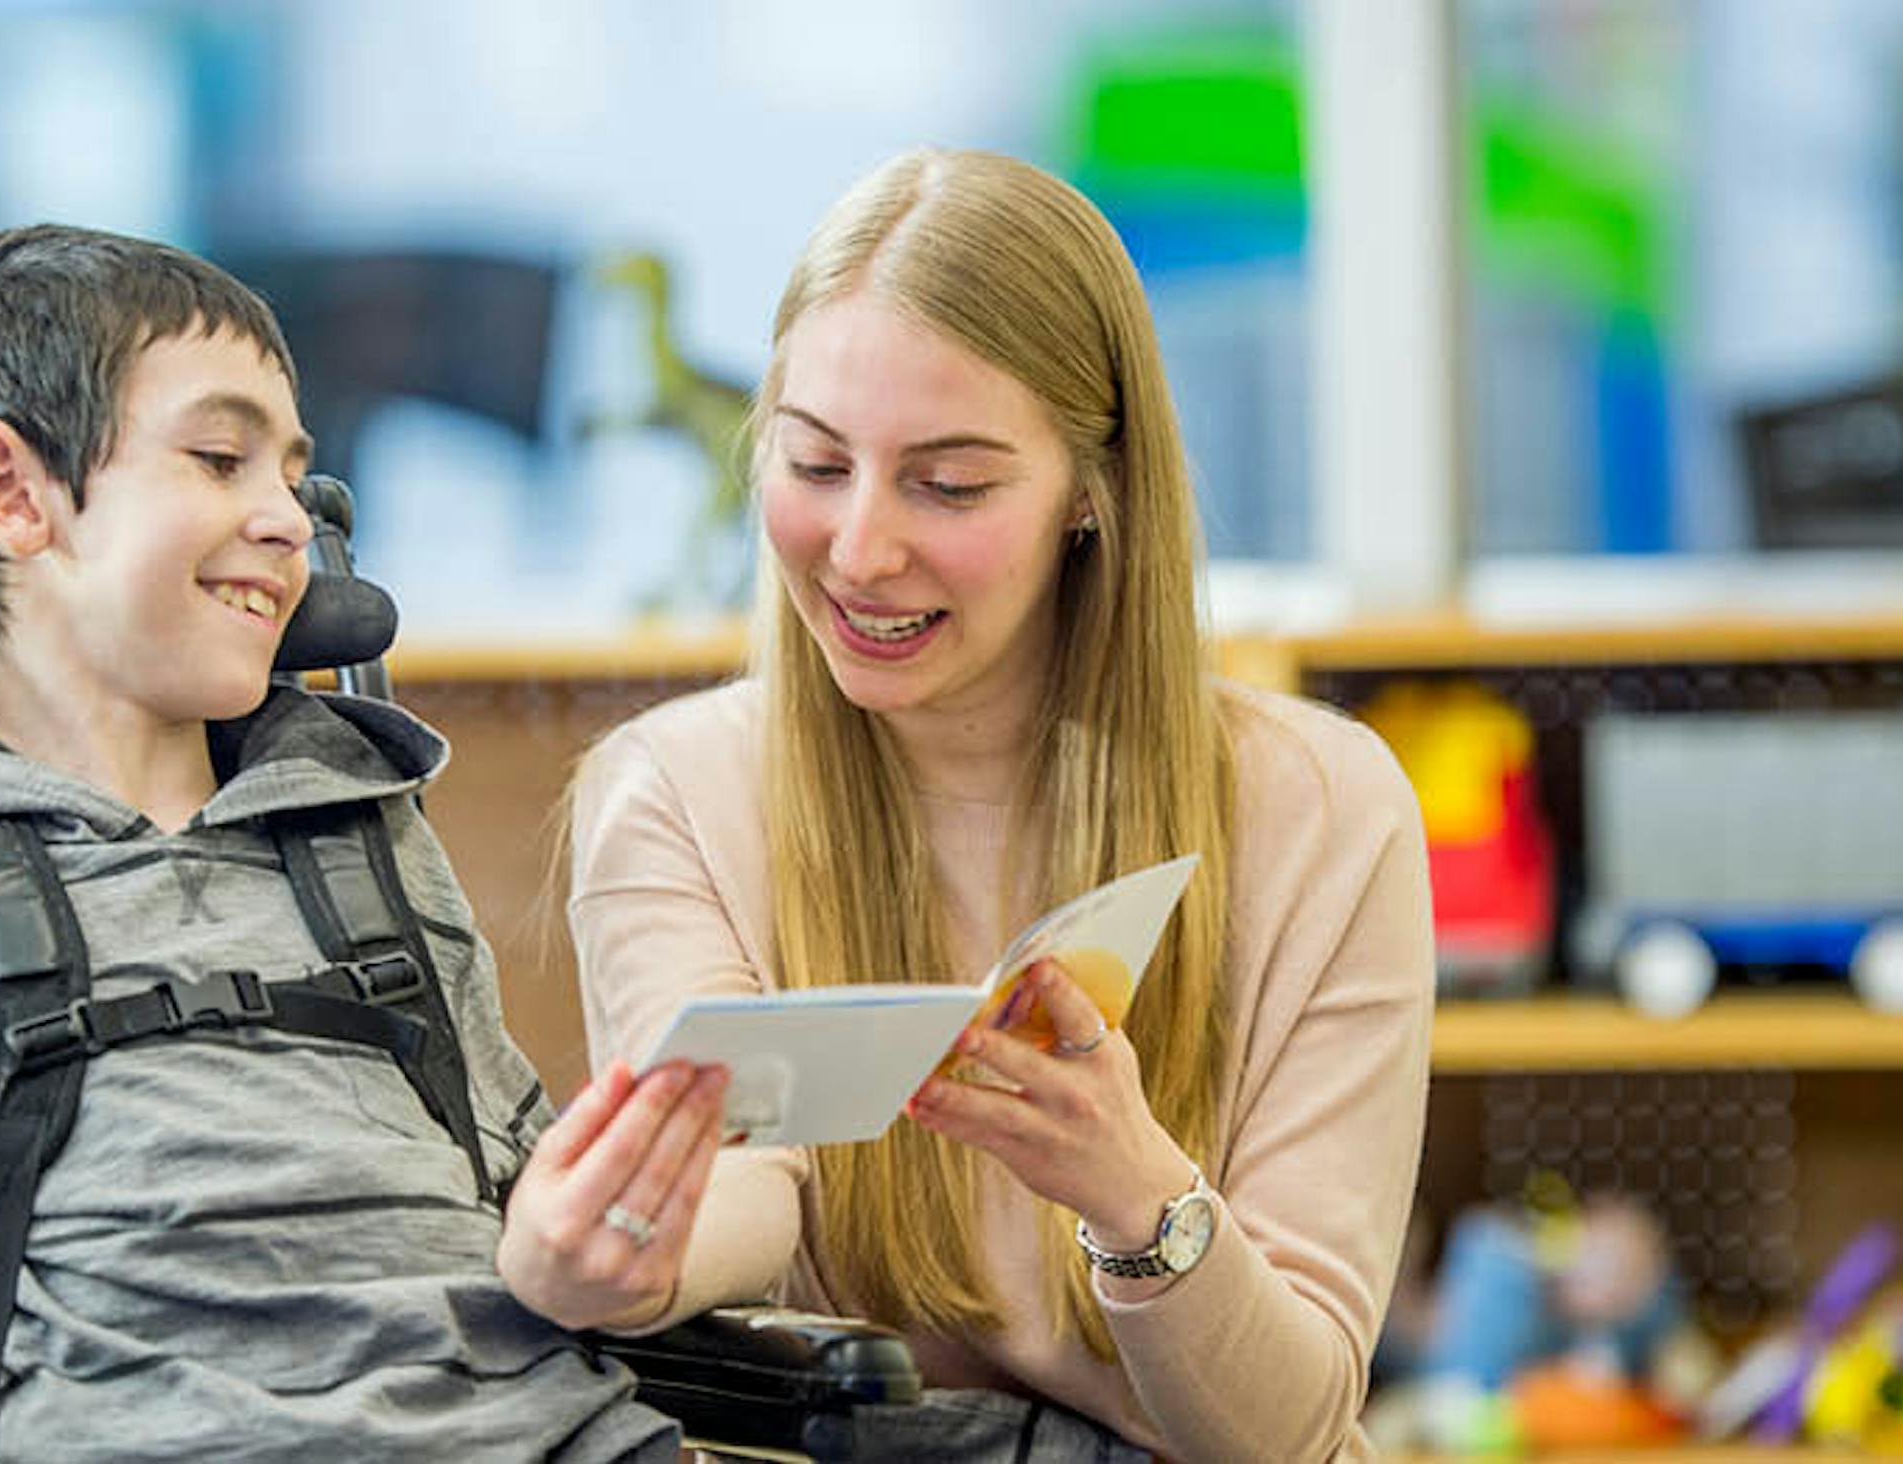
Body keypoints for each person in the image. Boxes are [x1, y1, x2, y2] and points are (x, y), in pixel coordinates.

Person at [0, 224, 720, 1463]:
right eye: (220, 458)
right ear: (13, 491)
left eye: (289, 472)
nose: (282, 518)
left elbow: (518, 1201)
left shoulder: (366, 847)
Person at [540, 150, 1435, 1462]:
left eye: (949, 484)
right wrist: (624, 1255)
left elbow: (1286, 1433)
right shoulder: (671, 791)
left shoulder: (1322, 810)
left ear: (1092, 491)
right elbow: (748, 1174)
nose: (859, 551)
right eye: (815, 463)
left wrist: (1136, 1192)